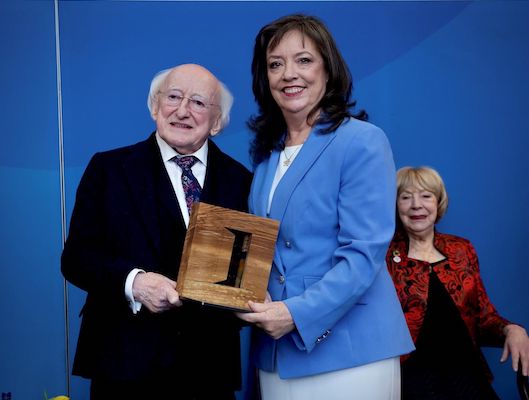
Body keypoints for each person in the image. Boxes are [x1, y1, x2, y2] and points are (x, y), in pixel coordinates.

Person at [236, 14, 414, 400]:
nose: (288, 74)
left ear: (328, 69)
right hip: (275, 353)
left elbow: (363, 256)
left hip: (349, 352)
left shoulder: (362, 141)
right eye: (275, 64)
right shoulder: (267, 156)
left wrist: (294, 314)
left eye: (303, 60)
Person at [61, 63, 252, 400]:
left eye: (198, 102)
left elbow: (241, 274)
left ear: (217, 121)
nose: (182, 110)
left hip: (209, 370)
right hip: (124, 365)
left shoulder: (241, 181)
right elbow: (77, 258)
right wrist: (135, 283)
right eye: (173, 97)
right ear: (154, 107)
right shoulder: (109, 170)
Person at [387, 166, 529, 399]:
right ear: (395, 206)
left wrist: (512, 329)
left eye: (426, 195)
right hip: (412, 382)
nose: (416, 205)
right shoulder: (384, 256)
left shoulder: (461, 250)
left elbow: (483, 317)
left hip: (467, 376)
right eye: (405, 197)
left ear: (438, 202)